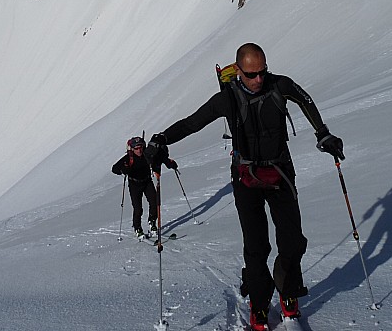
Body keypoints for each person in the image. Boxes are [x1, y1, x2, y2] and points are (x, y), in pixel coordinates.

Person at [145, 43, 344, 329]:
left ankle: (288, 291)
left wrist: (323, 134)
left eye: (262, 72)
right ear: (238, 71)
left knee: (292, 240)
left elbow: (306, 100)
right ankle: (259, 303)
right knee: (256, 245)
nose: (259, 79)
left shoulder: (279, 84)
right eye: (251, 75)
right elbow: (192, 123)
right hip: (245, 177)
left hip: (280, 172)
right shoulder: (227, 99)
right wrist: (161, 138)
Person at [112, 136, 178, 238]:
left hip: (147, 181)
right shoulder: (128, 158)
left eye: (141, 147)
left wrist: (170, 164)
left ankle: (152, 223)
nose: (139, 150)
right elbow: (114, 169)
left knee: (155, 202)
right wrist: (123, 169)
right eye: (136, 148)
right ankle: (137, 228)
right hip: (134, 185)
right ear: (132, 149)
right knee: (138, 208)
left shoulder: (147, 155)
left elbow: (160, 158)